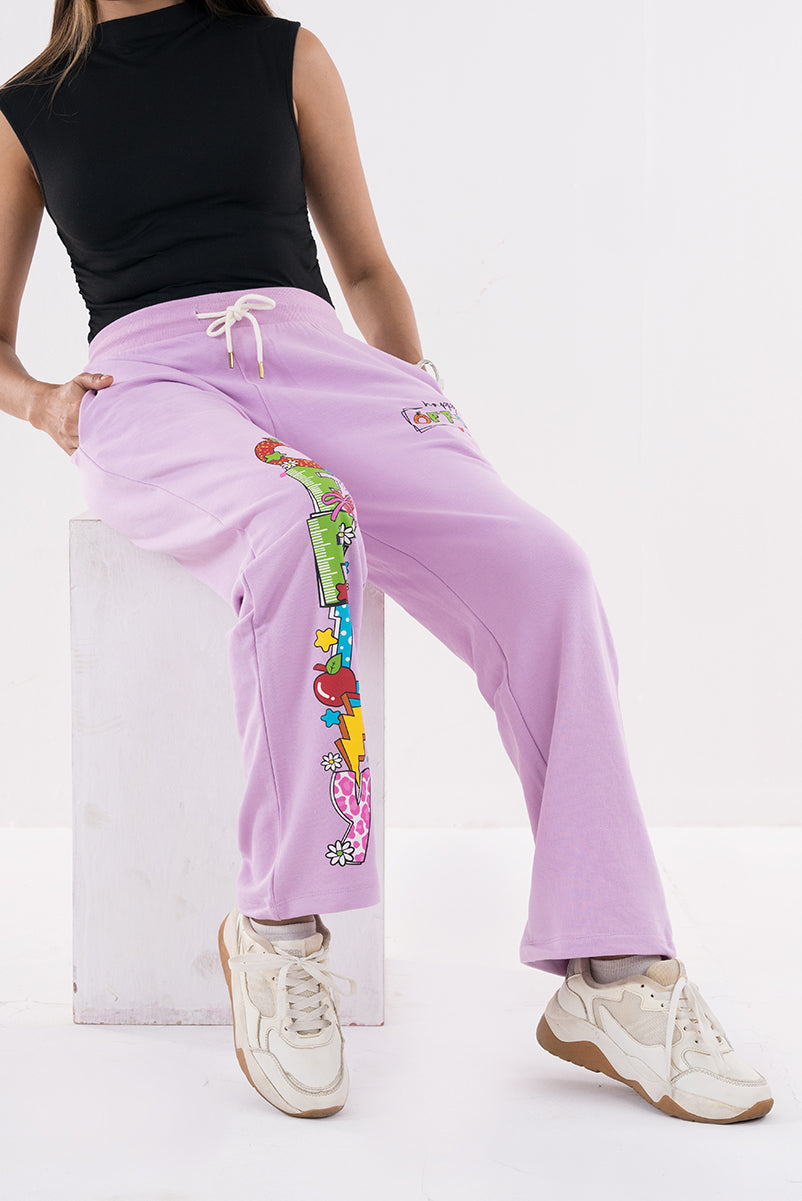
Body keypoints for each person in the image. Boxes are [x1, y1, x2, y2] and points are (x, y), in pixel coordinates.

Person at [0, 0, 773, 1124]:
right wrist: (43, 405)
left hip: (319, 361)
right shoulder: (29, 111)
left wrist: (429, 416)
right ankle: (276, 931)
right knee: (301, 524)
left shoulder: (283, 55)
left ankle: (612, 968)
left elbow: (362, 270)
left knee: (546, 569)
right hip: (151, 388)